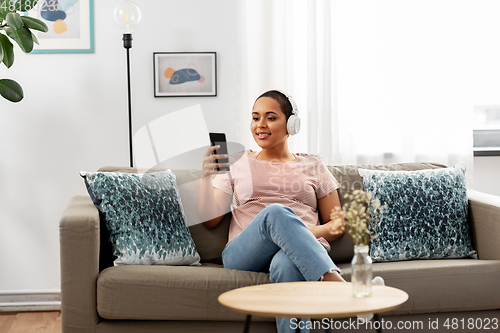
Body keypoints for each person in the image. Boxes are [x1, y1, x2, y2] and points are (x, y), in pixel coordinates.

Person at [198, 90, 346, 333]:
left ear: (291, 125)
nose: (260, 125)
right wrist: (206, 177)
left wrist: (297, 234)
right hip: (244, 253)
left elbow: (337, 225)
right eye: (255, 118)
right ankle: (332, 282)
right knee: (276, 213)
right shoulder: (236, 162)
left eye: (270, 117)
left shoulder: (313, 165)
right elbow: (211, 221)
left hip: (298, 253)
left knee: (286, 264)